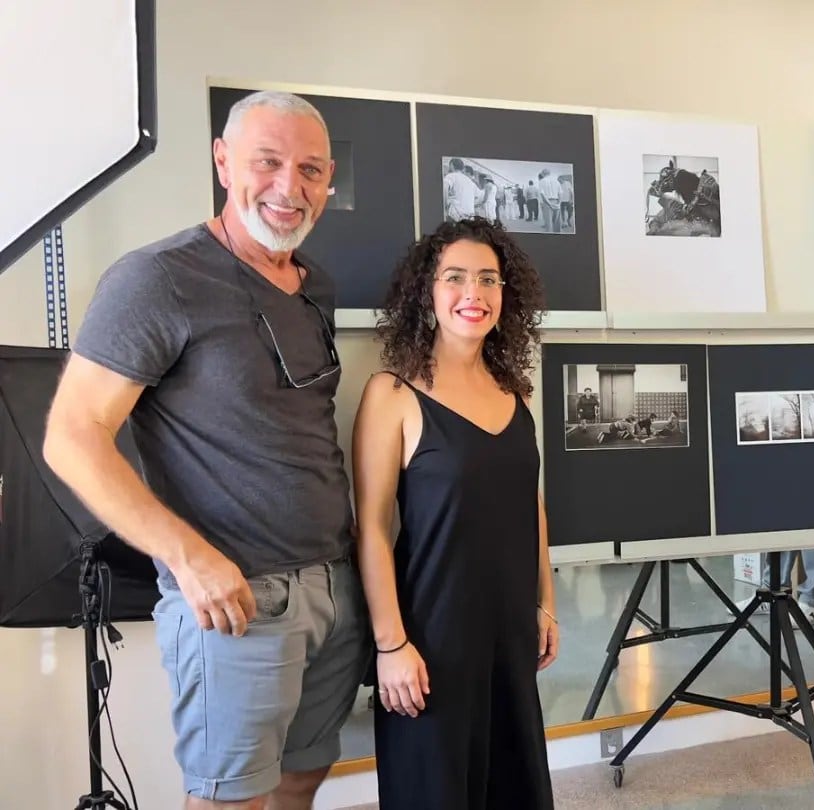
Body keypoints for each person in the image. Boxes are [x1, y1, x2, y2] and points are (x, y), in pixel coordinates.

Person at [43, 90, 368, 808]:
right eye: (268, 162)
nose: (290, 186)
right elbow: (72, 437)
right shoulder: (157, 278)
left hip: (333, 587)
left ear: (330, 178)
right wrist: (189, 559)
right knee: (231, 798)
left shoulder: (318, 285)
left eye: (311, 169)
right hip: (238, 597)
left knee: (303, 776)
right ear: (223, 162)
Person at [351, 216, 556, 808]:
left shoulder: (516, 394)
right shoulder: (391, 394)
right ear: (427, 292)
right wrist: (391, 647)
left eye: (489, 280)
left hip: (509, 638)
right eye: (456, 278)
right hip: (430, 645)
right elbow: (371, 530)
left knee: (514, 791)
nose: (474, 294)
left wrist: (545, 602)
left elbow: (531, 506)